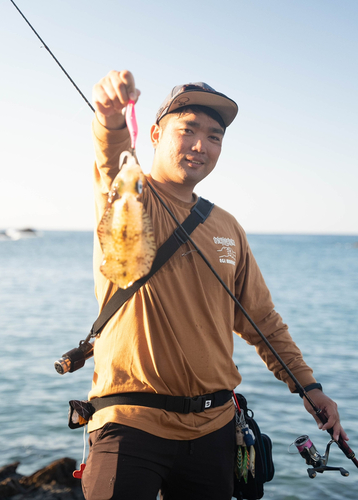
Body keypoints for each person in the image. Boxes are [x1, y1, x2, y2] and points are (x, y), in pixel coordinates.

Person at [81, 69, 347, 500]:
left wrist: (309, 387)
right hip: (130, 424)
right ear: (154, 134)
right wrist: (110, 119)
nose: (201, 145)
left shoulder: (227, 226)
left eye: (215, 136)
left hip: (215, 429)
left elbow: (262, 321)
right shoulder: (128, 196)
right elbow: (112, 159)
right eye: (187, 130)